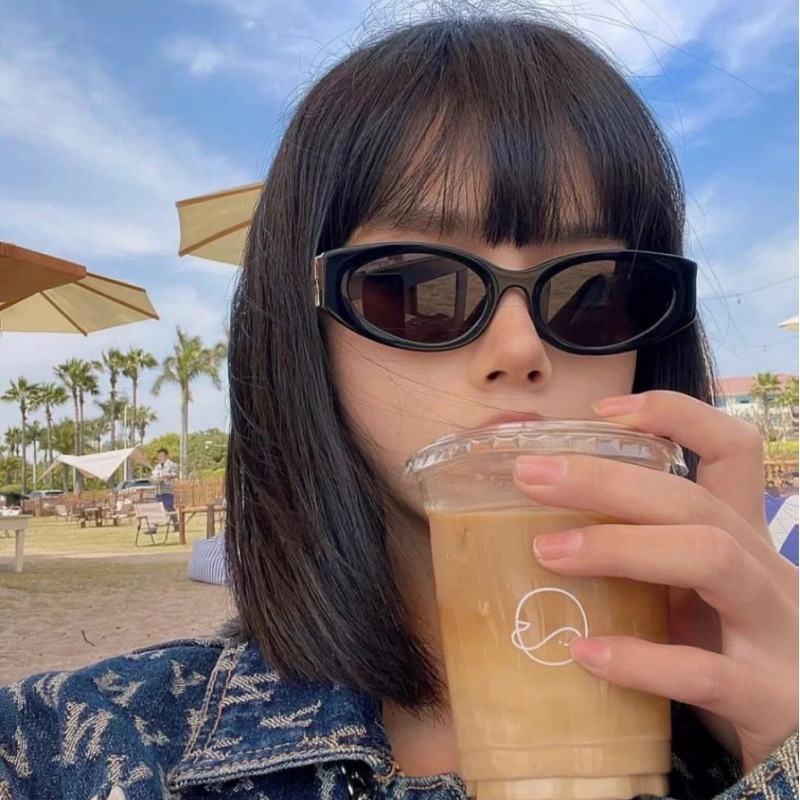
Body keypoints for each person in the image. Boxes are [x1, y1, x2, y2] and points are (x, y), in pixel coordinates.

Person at [0, 10, 797, 800]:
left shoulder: (768, 720)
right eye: (416, 286)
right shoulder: (81, 750)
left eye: (594, 291)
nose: (519, 349)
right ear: (305, 333)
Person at [150, 447, 179, 531]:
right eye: (159, 456)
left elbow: (175, 474)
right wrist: (154, 479)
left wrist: (168, 475)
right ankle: (153, 527)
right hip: (158, 491)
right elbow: (154, 476)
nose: (160, 458)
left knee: (169, 508)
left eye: (162, 456)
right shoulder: (157, 467)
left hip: (167, 491)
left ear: (166, 456)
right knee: (156, 508)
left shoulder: (172, 465)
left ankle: (176, 525)